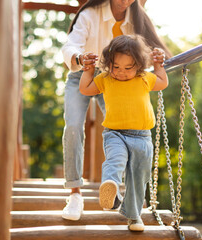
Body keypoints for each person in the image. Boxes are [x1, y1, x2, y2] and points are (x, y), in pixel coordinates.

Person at [61, 0, 171, 221]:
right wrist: (82, 60)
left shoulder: (138, 18)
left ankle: (126, 195)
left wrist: (159, 58)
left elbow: (149, 54)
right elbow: (69, 45)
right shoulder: (91, 14)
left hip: (117, 78)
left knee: (123, 128)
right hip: (84, 74)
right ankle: (75, 194)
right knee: (73, 126)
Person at [79, 34, 168, 231]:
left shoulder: (144, 77)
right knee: (115, 160)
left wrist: (158, 64)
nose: (121, 72)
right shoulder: (105, 79)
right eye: (116, 67)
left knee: (139, 177)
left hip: (142, 136)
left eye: (128, 68)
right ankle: (110, 185)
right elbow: (85, 89)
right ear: (108, 64)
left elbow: (162, 82)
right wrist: (89, 71)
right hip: (115, 133)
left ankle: (134, 216)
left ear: (139, 65)